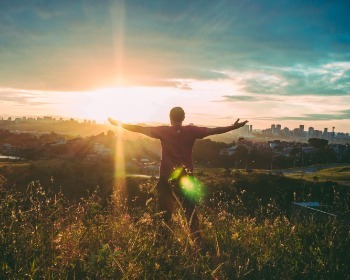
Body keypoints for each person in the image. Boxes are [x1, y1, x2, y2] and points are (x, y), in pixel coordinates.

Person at [108, 107, 248, 236]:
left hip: (166, 176)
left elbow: (139, 128)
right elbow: (214, 130)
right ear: (184, 117)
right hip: (186, 176)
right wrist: (233, 126)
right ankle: (196, 240)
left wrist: (118, 124)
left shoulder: (164, 131)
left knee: (165, 212)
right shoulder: (191, 131)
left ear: (170, 117)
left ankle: (165, 240)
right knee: (190, 211)